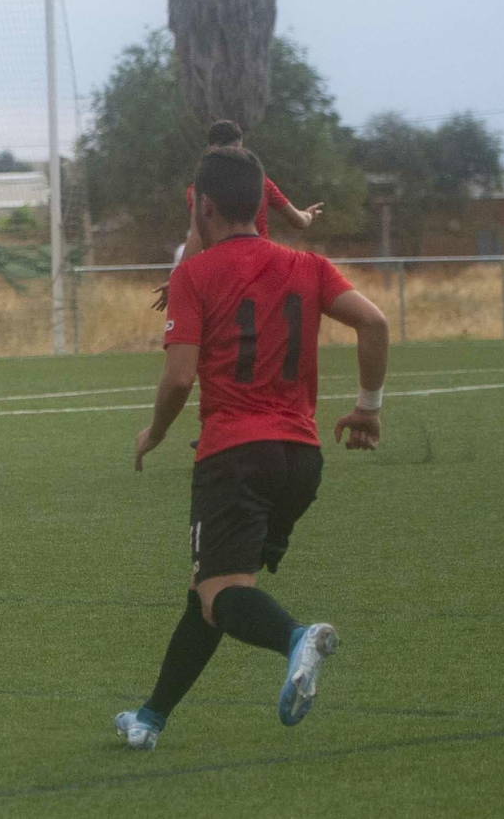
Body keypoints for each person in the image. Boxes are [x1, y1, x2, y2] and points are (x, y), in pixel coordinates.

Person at [117, 145, 389, 750]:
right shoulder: (309, 265)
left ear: (204, 206)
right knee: (212, 591)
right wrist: (367, 409)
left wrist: (154, 433)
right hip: (300, 461)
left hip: (235, 456)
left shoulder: (193, 273)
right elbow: (375, 324)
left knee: (222, 593)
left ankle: (298, 637)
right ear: (260, 201)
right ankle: (150, 716)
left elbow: (180, 376)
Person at [151, 120, 324, 312]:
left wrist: (178, 281)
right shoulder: (261, 182)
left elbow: (197, 236)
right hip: (262, 271)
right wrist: (307, 215)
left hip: (222, 276)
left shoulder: (200, 189)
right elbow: (299, 221)